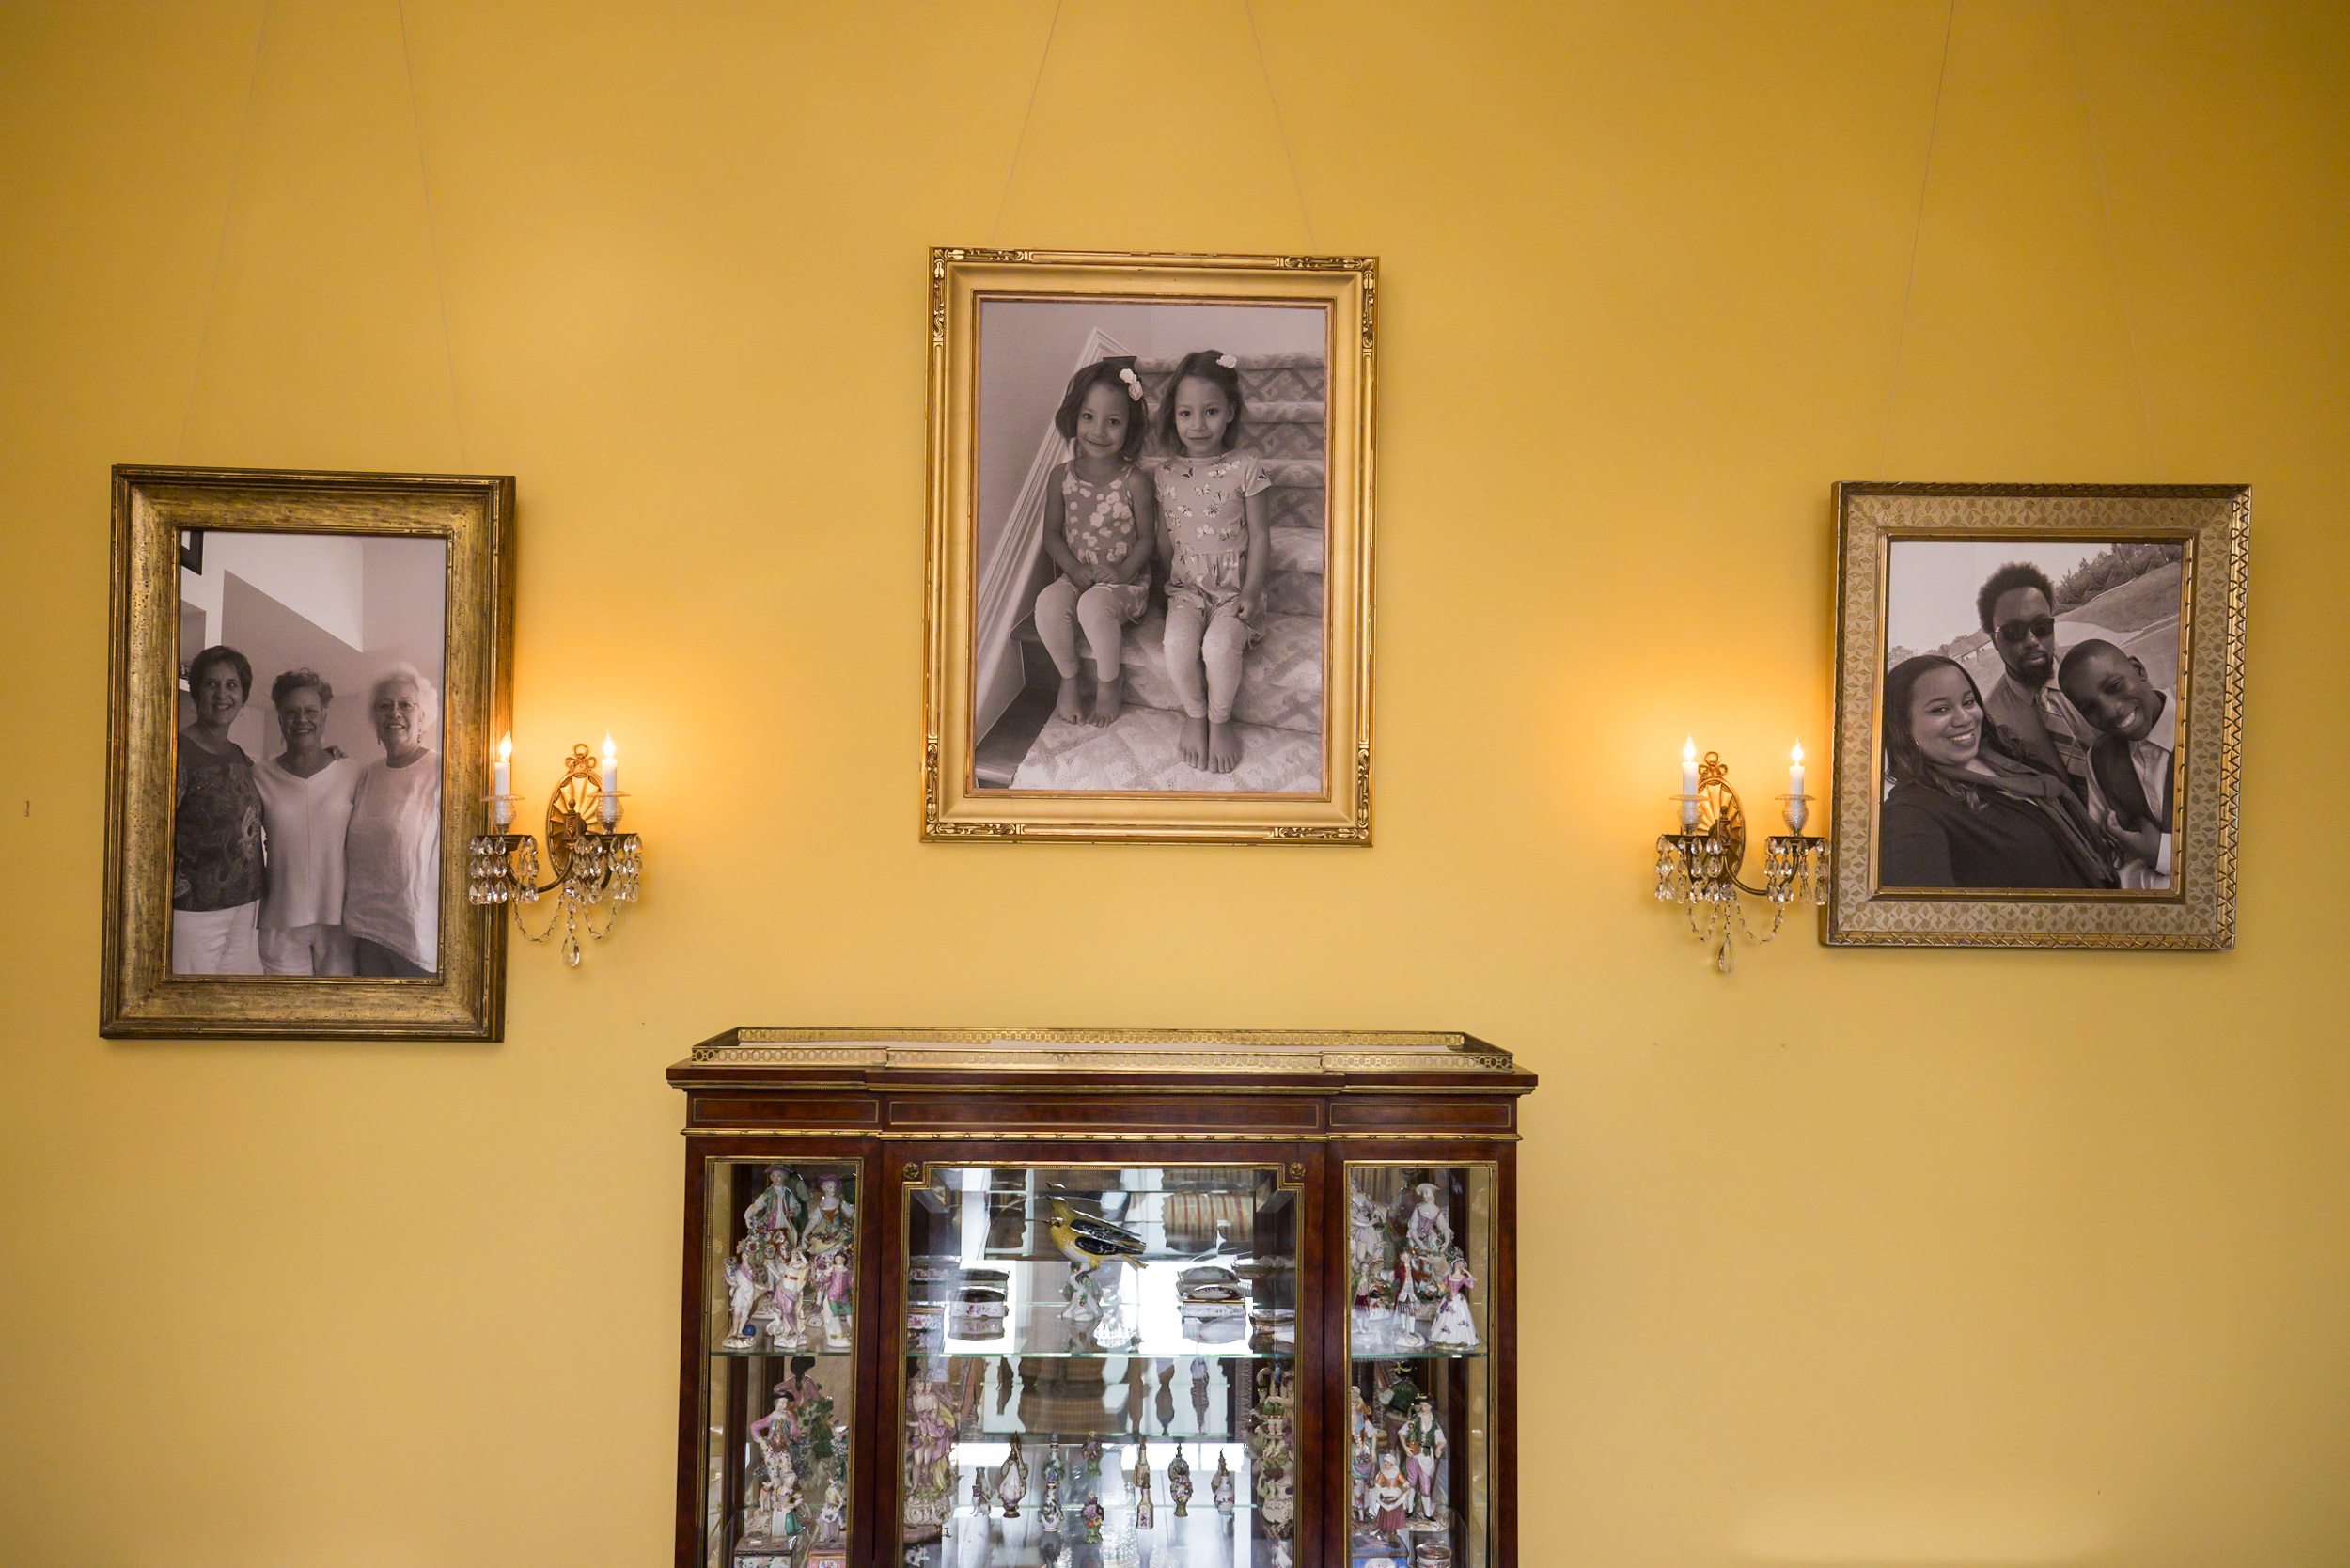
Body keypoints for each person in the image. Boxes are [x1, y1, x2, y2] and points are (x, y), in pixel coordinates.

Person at [1878, 654, 2116, 890]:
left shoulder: (2009, 756)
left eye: (1969, 702)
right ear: (1902, 727)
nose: (1964, 718)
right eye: (1940, 709)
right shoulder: (1911, 812)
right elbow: (1916, 913)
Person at [1152, 349, 1271, 773]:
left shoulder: (1246, 467)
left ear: (1230, 413)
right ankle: (1194, 714)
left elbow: (1260, 537)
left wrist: (1253, 592)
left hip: (1235, 590)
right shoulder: (1164, 473)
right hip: (1185, 590)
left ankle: (1220, 721)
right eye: (1186, 413)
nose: (1197, 424)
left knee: (1219, 649)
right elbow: (1164, 538)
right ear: (1174, 417)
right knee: (1176, 647)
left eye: (1211, 411)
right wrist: (1162, 591)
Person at [1034, 357, 1158, 728]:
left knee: (1091, 608)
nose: (1099, 431)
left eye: (1114, 421)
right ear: (1074, 417)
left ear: (1130, 429)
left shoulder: (1134, 481)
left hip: (1125, 583)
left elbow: (1148, 537)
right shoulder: (1061, 477)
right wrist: (1073, 568)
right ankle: (1070, 678)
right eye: (1089, 417)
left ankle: (1109, 681)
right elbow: (1051, 534)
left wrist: (1121, 572)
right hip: (1077, 575)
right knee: (1047, 603)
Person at [252, 668, 363, 975]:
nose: (302, 719)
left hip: (340, 921)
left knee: (337, 1015)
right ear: (279, 720)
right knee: (285, 1018)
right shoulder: (260, 776)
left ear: (324, 718)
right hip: (280, 920)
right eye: (292, 712)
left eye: (311, 711)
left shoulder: (353, 773)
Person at [171, 644, 265, 974]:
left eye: (232, 685)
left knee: (233, 1004)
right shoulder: (175, 752)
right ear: (195, 691)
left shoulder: (240, 755)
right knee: (191, 1008)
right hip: (195, 911)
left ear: (243, 696)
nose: (222, 694)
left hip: (246, 905)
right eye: (211, 684)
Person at [342, 665, 441, 977]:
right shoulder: (367, 775)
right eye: (384, 706)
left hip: (415, 938)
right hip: (365, 930)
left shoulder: (442, 770)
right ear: (374, 720)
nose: (393, 713)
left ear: (422, 716)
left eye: (405, 704)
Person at [2060, 638, 2175, 889]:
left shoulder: (2213, 725)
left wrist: (2161, 853)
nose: (2111, 711)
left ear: (2138, 670)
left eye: (2113, 686)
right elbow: (2114, 856)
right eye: (2090, 708)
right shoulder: (2100, 759)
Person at [1974, 561, 2094, 802]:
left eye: (2041, 627)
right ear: (1995, 641)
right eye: (2013, 632)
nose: (2031, 641)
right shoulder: (1992, 723)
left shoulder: (2095, 672)